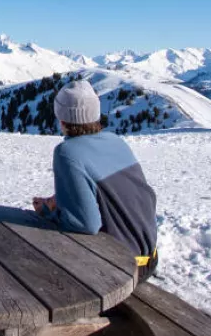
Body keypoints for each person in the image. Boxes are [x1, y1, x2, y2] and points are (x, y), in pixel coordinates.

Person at [33, 78, 159, 282]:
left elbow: (86, 224)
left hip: (122, 267)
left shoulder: (67, 152)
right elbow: (114, 194)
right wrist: (62, 200)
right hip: (149, 256)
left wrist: (49, 212)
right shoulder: (115, 141)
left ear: (62, 118)